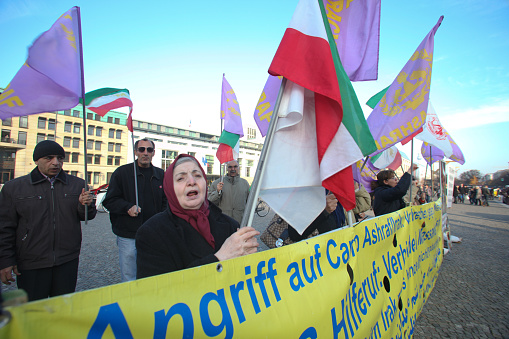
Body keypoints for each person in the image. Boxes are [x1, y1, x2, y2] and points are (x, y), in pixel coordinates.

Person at [0, 140, 96, 301]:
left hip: (67, 258)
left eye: (60, 158)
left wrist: (85, 205)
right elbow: (5, 227)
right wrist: (5, 260)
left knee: (63, 308)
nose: (56, 163)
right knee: (34, 311)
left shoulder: (77, 185)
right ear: (37, 160)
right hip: (32, 261)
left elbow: (86, 216)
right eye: (49, 158)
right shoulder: (14, 188)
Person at [136, 154, 259, 278]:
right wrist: (221, 257)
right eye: (181, 178)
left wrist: (248, 259)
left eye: (197, 175)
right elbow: (160, 291)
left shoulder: (231, 225)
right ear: (169, 188)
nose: (191, 182)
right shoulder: (151, 233)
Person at [102, 138, 167, 282]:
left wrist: (162, 219)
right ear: (136, 152)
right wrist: (127, 207)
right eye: (141, 149)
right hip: (129, 234)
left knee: (152, 274)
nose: (145, 153)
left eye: (149, 150)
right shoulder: (122, 173)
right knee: (130, 275)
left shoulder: (161, 174)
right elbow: (109, 200)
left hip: (154, 234)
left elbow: (166, 201)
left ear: (153, 153)